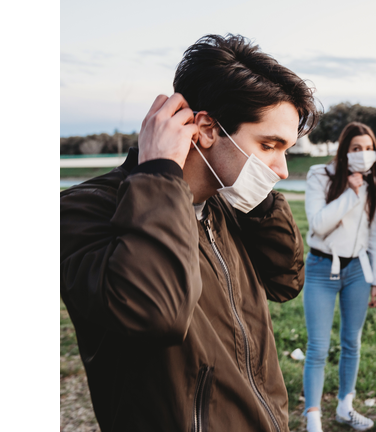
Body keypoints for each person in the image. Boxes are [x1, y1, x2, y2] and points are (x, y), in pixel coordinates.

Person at [60, 34, 319, 432]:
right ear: (207, 128)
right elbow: (157, 313)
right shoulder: (83, 210)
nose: (282, 170)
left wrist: (259, 196)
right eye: (270, 145)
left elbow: (286, 280)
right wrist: (160, 175)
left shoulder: (225, 204)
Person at [302, 122, 376, 432]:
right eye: (356, 148)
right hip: (322, 269)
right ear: (344, 151)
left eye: (368, 149)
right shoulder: (318, 175)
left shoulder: (373, 183)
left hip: (358, 273)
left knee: (352, 342)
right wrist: (351, 192)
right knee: (318, 347)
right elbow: (318, 224)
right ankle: (313, 417)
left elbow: (375, 234)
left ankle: (345, 407)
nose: (363, 154)